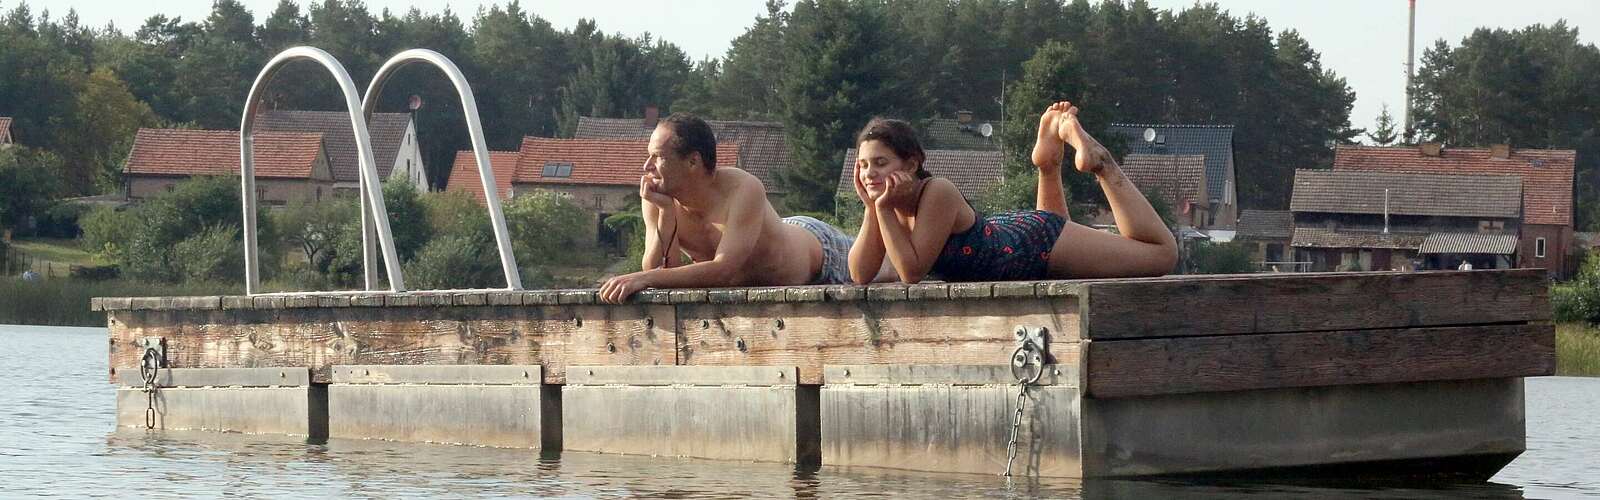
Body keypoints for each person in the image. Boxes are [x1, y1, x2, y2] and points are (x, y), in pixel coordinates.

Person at [847, 102, 1177, 284]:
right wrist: (871, 208)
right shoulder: (887, 206)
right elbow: (861, 274)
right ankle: (1048, 162)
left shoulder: (937, 192)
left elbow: (911, 272)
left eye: (880, 162)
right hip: (1013, 237)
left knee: (1162, 255)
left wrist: (883, 210)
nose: (869, 173)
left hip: (1035, 245)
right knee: (1057, 226)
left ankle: (1102, 163)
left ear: (913, 162)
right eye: (863, 165)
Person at [599, 113, 856, 303]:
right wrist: (667, 215)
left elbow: (724, 270)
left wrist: (643, 279)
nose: (647, 167)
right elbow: (662, 271)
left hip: (822, 253)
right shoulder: (658, 197)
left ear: (692, 161)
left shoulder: (743, 188)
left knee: (887, 269)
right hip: (768, 282)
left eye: (658, 157)